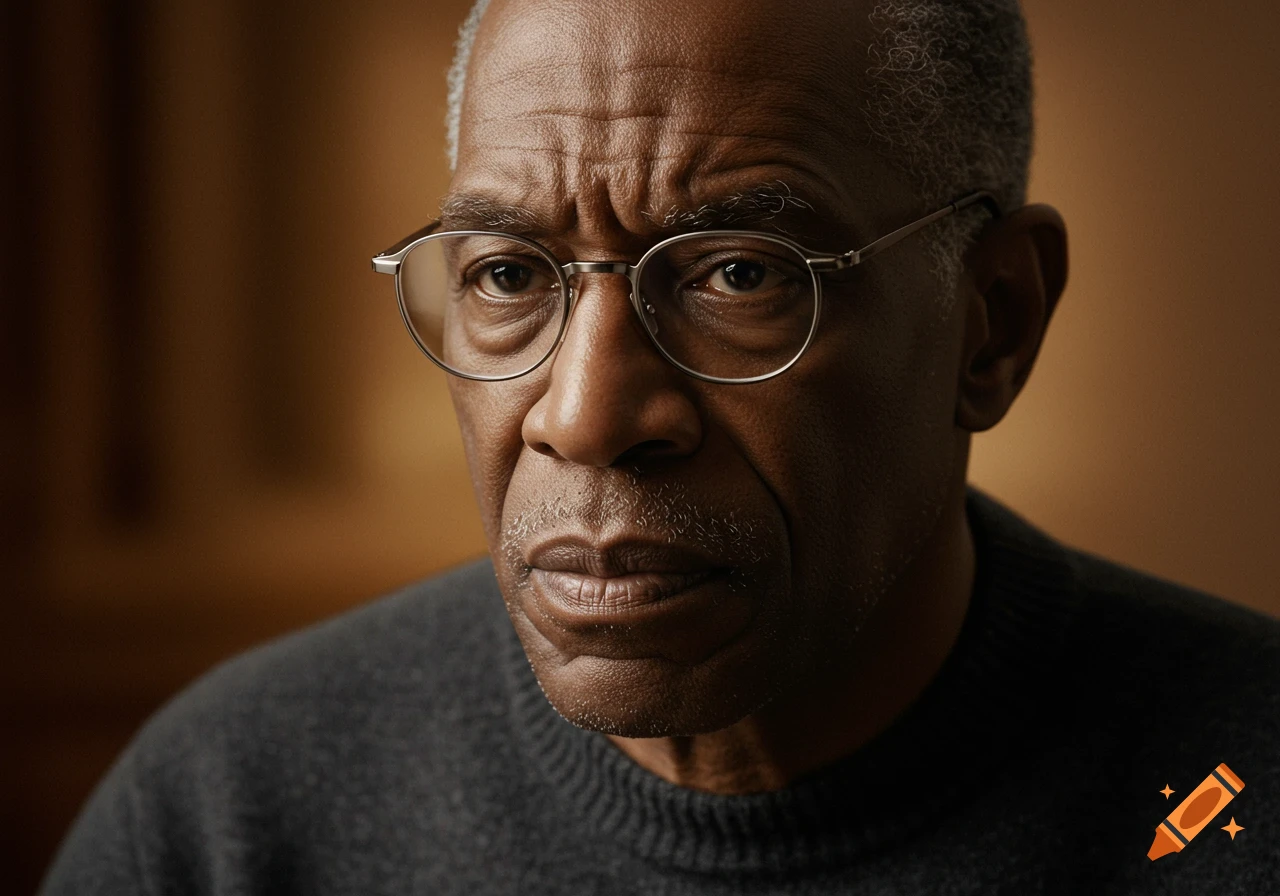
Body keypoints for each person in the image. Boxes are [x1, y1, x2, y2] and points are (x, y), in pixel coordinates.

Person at [42, 0, 1280, 892]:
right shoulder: (230, 815)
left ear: (989, 323)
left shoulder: (1238, 796)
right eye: (508, 273)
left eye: (738, 273)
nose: (580, 414)